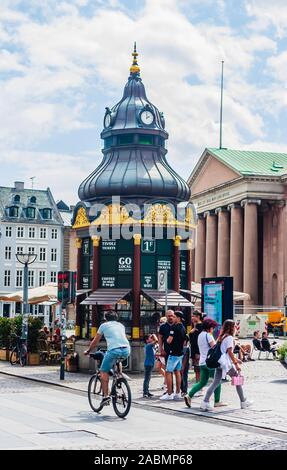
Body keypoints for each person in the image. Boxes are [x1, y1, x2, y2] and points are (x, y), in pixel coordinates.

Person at [200, 319, 253, 411]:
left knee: (215, 382)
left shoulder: (222, 336)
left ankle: (205, 402)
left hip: (220, 363)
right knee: (237, 379)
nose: (236, 327)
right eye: (235, 326)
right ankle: (243, 401)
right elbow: (229, 352)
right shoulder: (229, 338)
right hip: (225, 364)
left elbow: (223, 351)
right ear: (232, 327)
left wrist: (237, 360)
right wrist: (236, 364)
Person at [84, 310, 130, 407]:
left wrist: (88, 350)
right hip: (126, 349)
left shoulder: (103, 326)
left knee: (103, 371)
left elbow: (95, 341)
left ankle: (106, 396)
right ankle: (119, 376)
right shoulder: (121, 325)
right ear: (116, 318)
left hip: (113, 350)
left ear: (106, 318)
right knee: (117, 360)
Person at [185, 318, 226, 408]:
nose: (213, 329)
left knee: (202, 382)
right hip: (210, 363)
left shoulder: (200, 335)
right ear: (209, 327)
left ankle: (189, 395)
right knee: (217, 381)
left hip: (202, 362)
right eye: (213, 327)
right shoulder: (208, 335)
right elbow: (214, 348)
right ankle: (217, 401)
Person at [160, 311, 186, 401]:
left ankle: (170, 393)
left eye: (174, 316)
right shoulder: (183, 327)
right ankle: (178, 393)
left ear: (178, 318)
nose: (173, 318)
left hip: (173, 352)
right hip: (180, 352)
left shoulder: (174, 327)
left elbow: (169, 340)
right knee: (177, 371)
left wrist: (167, 340)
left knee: (168, 372)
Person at [189, 311, 204, 383]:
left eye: (193, 316)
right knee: (196, 368)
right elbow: (189, 337)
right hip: (194, 349)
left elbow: (200, 340)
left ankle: (199, 385)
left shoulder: (201, 326)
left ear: (198, 316)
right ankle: (198, 384)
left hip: (198, 350)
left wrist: (198, 352)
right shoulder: (194, 326)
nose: (192, 318)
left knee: (198, 368)